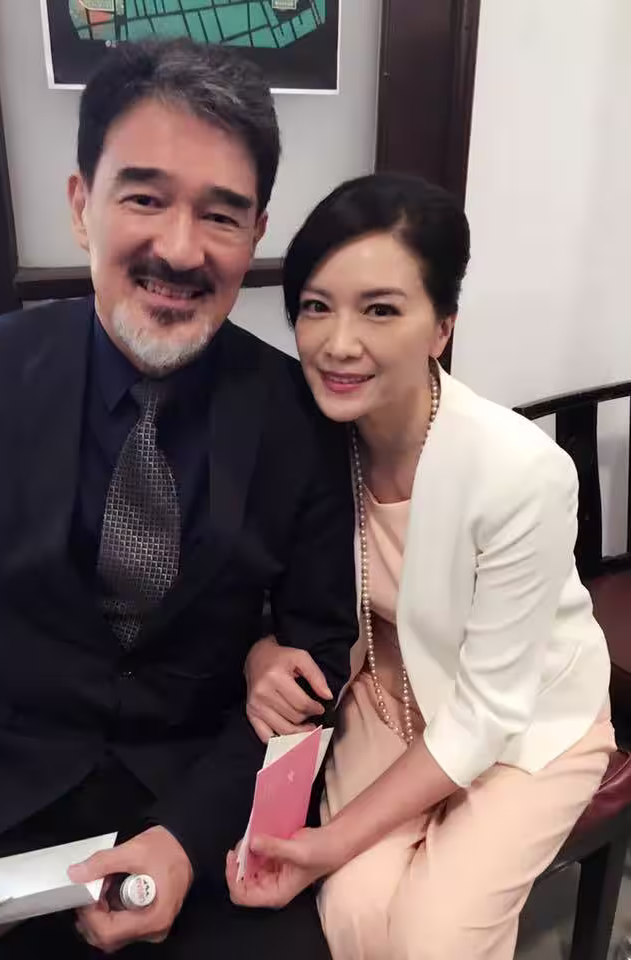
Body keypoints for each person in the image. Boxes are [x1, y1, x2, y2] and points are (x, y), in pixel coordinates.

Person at [0, 39, 357, 958]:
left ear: (257, 233)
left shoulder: (299, 414)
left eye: (221, 215)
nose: (180, 249)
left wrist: (189, 840)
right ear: (82, 205)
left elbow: (316, 657)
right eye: (144, 198)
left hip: (198, 803)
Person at [233, 172, 615, 960]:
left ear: (442, 326)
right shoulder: (305, 436)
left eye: (380, 310)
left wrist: (330, 843)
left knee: (433, 938)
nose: (339, 343)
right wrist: (259, 651)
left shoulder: (519, 472)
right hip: (385, 691)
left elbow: (486, 711)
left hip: (522, 716)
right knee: (355, 913)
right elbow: (255, 587)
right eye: (316, 306)